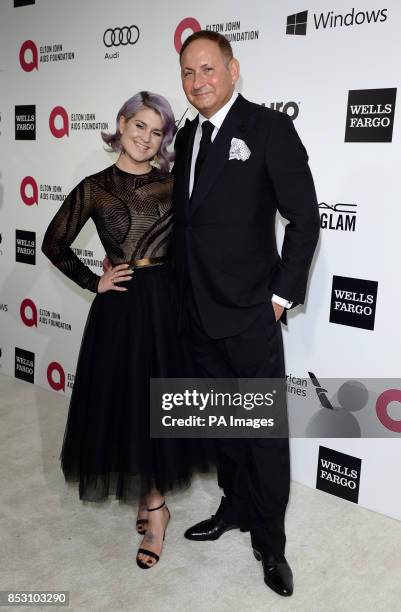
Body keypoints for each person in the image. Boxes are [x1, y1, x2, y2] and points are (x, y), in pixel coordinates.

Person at [172, 31, 320, 596]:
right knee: (221, 424)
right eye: (187, 73)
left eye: (207, 69)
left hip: (251, 314)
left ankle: (272, 543)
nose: (197, 82)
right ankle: (234, 508)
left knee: (261, 433)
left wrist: (280, 298)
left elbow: (304, 220)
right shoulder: (187, 137)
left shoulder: (270, 129)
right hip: (197, 313)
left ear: (233, 70)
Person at [42, 91, 211, 570]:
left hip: (166, 307)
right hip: (120, 309)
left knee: (160, 403)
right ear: (121, 124)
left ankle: (154, 509)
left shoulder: (172, 183)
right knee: (129, 405)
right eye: (140, 126)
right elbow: (53, 243)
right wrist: (95, 280)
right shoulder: (94, 187)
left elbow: (191, 242)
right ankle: (153, 502)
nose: (147, 138)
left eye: (158, 132)